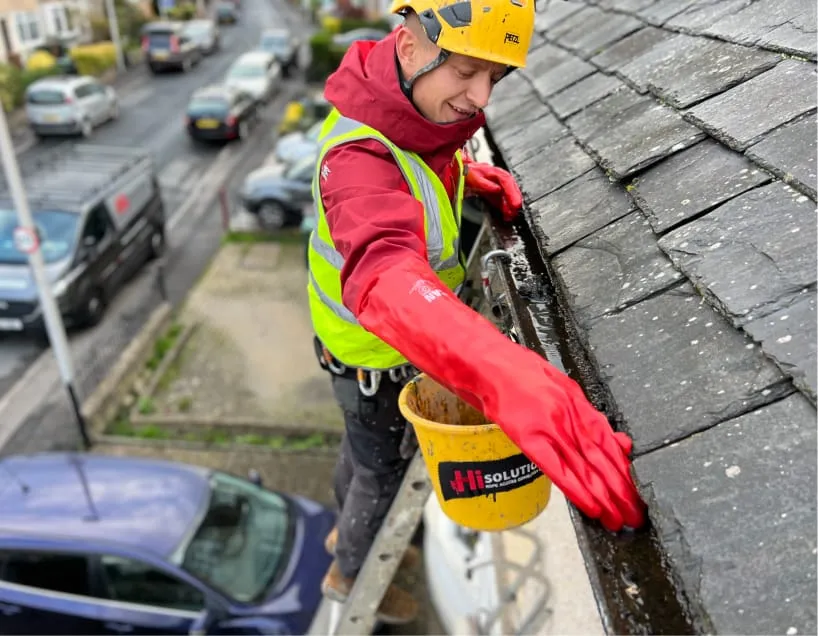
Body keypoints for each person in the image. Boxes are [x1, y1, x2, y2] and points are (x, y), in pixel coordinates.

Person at [308, 0, 647, 624]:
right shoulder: (353, 158)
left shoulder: (414, 114)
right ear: (409, 47)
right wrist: (505, 376)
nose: (480, 96)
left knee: (360, 457)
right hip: (372, 362)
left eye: (496, 76)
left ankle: (340, 532)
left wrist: (466, 171)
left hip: (357, 359)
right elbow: (382, 273)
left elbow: (420, 163)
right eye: (467, 70)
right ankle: (347, 569)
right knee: (379, 475)